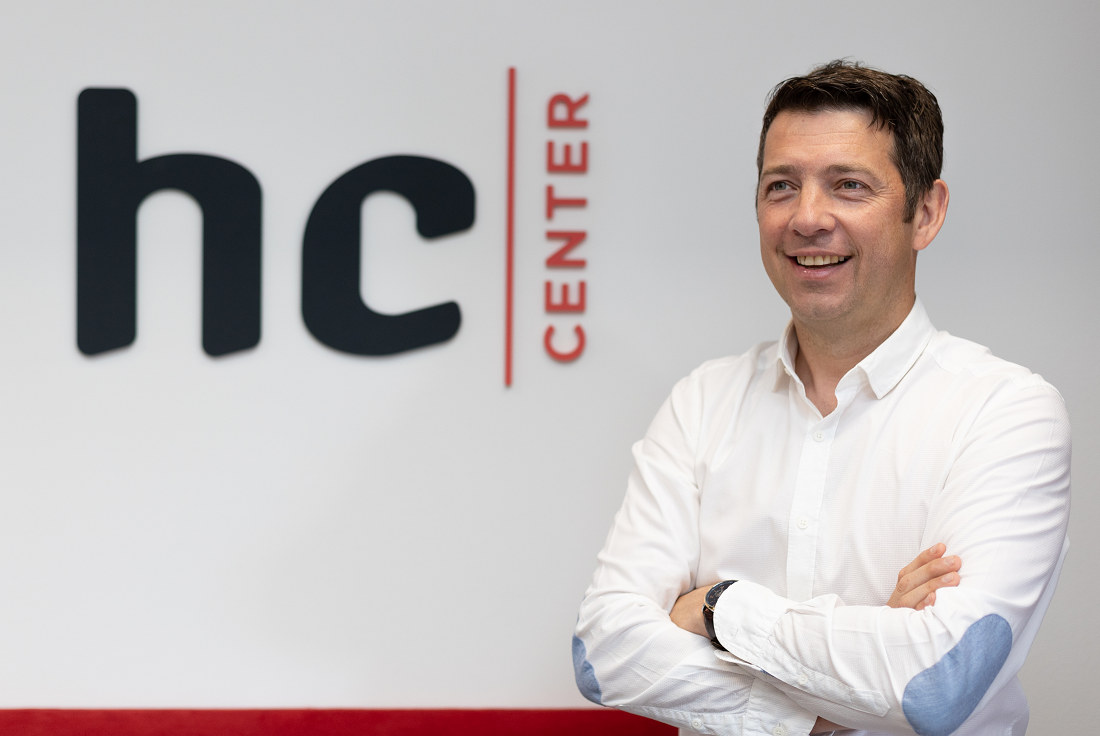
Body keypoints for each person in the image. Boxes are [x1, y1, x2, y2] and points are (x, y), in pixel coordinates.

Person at [572, 60, 1071, 736]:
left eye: (849, 186)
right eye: (782, 186)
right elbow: (604, 652)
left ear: (924, 212)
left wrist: (719, 609)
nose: (808, 218)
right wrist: (820, 712)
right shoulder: (702, 402)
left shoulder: (1005, 412)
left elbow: (937, 684)